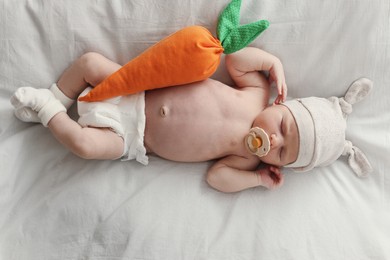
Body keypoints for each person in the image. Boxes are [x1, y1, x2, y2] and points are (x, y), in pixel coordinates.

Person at [10, 47, 373, 193]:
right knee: (90, 63)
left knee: (85, 146)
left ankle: (47, 111)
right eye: (283, 128)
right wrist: (271, 64)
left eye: (281, 153)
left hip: (134, 136)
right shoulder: (257, 93)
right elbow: (235, 61)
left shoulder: (247, 157)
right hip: (136, 88)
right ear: (284, 103)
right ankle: (58, 95)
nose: (273, 141)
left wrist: (257, 179)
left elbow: (217, 178)